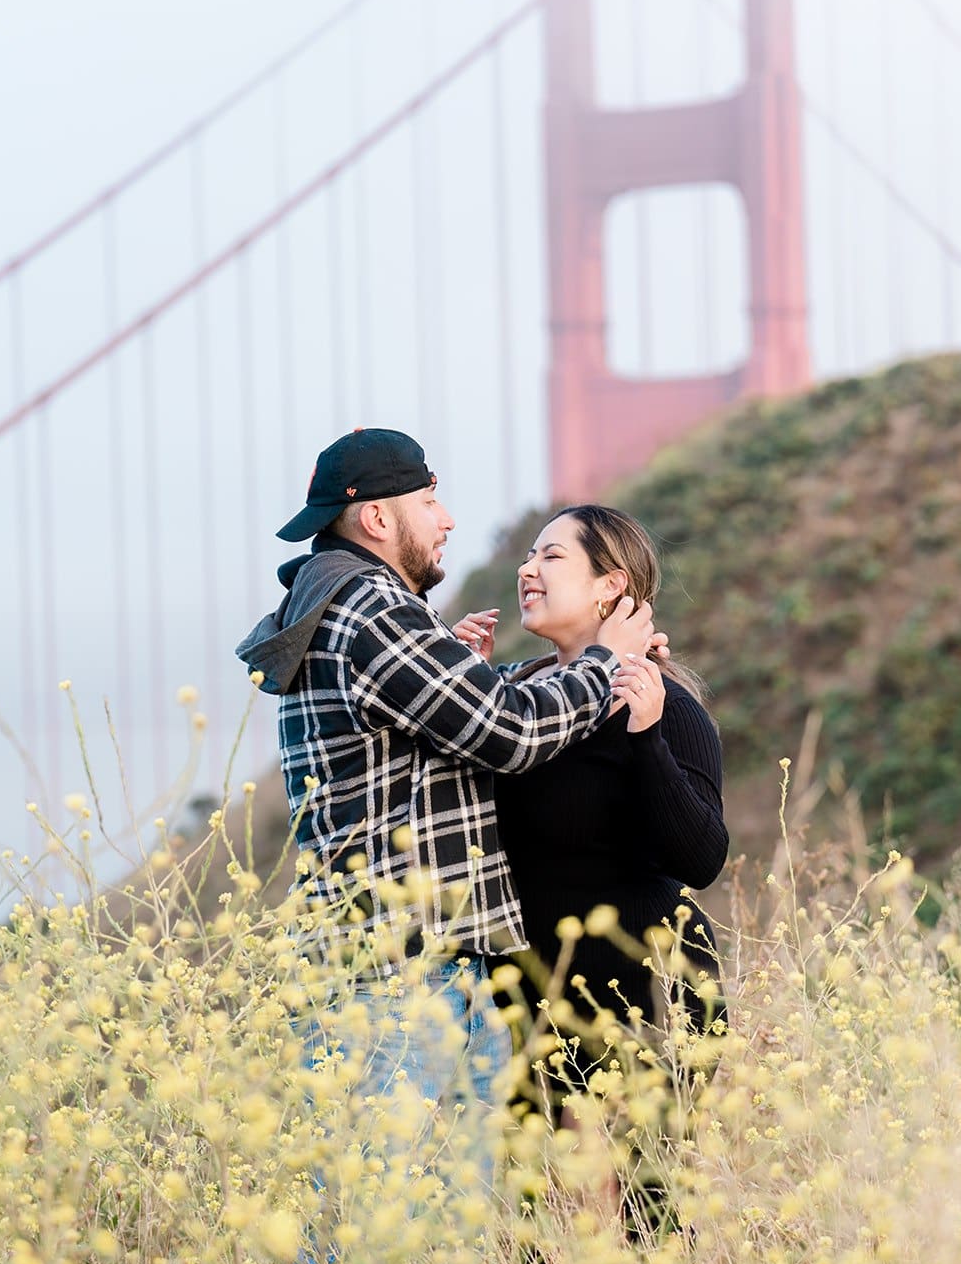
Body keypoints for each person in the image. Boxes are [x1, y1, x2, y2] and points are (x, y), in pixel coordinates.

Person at [235, 432, 665, 1184]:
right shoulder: (369, 607)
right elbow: (507, 732)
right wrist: (604, 664)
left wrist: (460, 667)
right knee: (382, 1233)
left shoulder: (353, 606)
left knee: (426, 1239)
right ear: (376, 520)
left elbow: (443, 740)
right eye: (429, 502)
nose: (447, 520)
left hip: (410, 971)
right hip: (398, 979)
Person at [457, 504, 728, 1119]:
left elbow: (702, 857)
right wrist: (466, 682)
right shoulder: (519, 706)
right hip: (529, 991)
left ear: (611, 586)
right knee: (536, 1204)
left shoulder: (665, 702)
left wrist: (646, 737)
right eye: (528, 555)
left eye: (552, 556)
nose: (529, 569)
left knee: (649, 1207)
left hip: (647, 985)